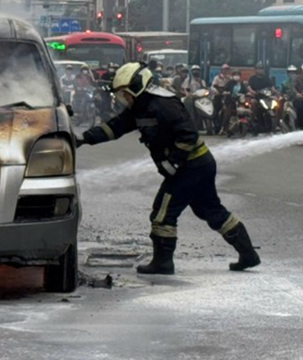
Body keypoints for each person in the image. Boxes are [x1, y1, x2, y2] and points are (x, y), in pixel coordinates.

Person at [75, 62, 261, 274]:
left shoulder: (163, 104)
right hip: (198, 164)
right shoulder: (139, 107)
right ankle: (248, 254)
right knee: (210, 210)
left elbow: (188, 135)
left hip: (191, 166)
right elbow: (114, 127)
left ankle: (163, 262)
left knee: (162, 214)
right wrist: (83, 138)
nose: (122, 99)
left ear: (136, 87)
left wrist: (173, 162)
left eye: (124, 94)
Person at [247, 63, 278, 133]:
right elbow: (249, 87)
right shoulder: (252, 79)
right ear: (256, 70)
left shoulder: (266, 78)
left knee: (276, 102)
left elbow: (272, 87)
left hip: (266, 97)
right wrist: (253, 92)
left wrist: (275, 92)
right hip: (256, 97)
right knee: (253, 102)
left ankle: (277, 121)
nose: (260, 70)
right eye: (259, 69)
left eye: (261, 69)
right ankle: (254, 117)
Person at [211, 64, 232, 134]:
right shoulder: (217, 78)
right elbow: (213, 87)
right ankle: (216, 125)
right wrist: (217, 92)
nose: (226, 71)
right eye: (224, 69)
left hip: (228, 97)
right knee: (215, 111)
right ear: (221, 70)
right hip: (219, 97)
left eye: (227, 69)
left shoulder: (230, 79)